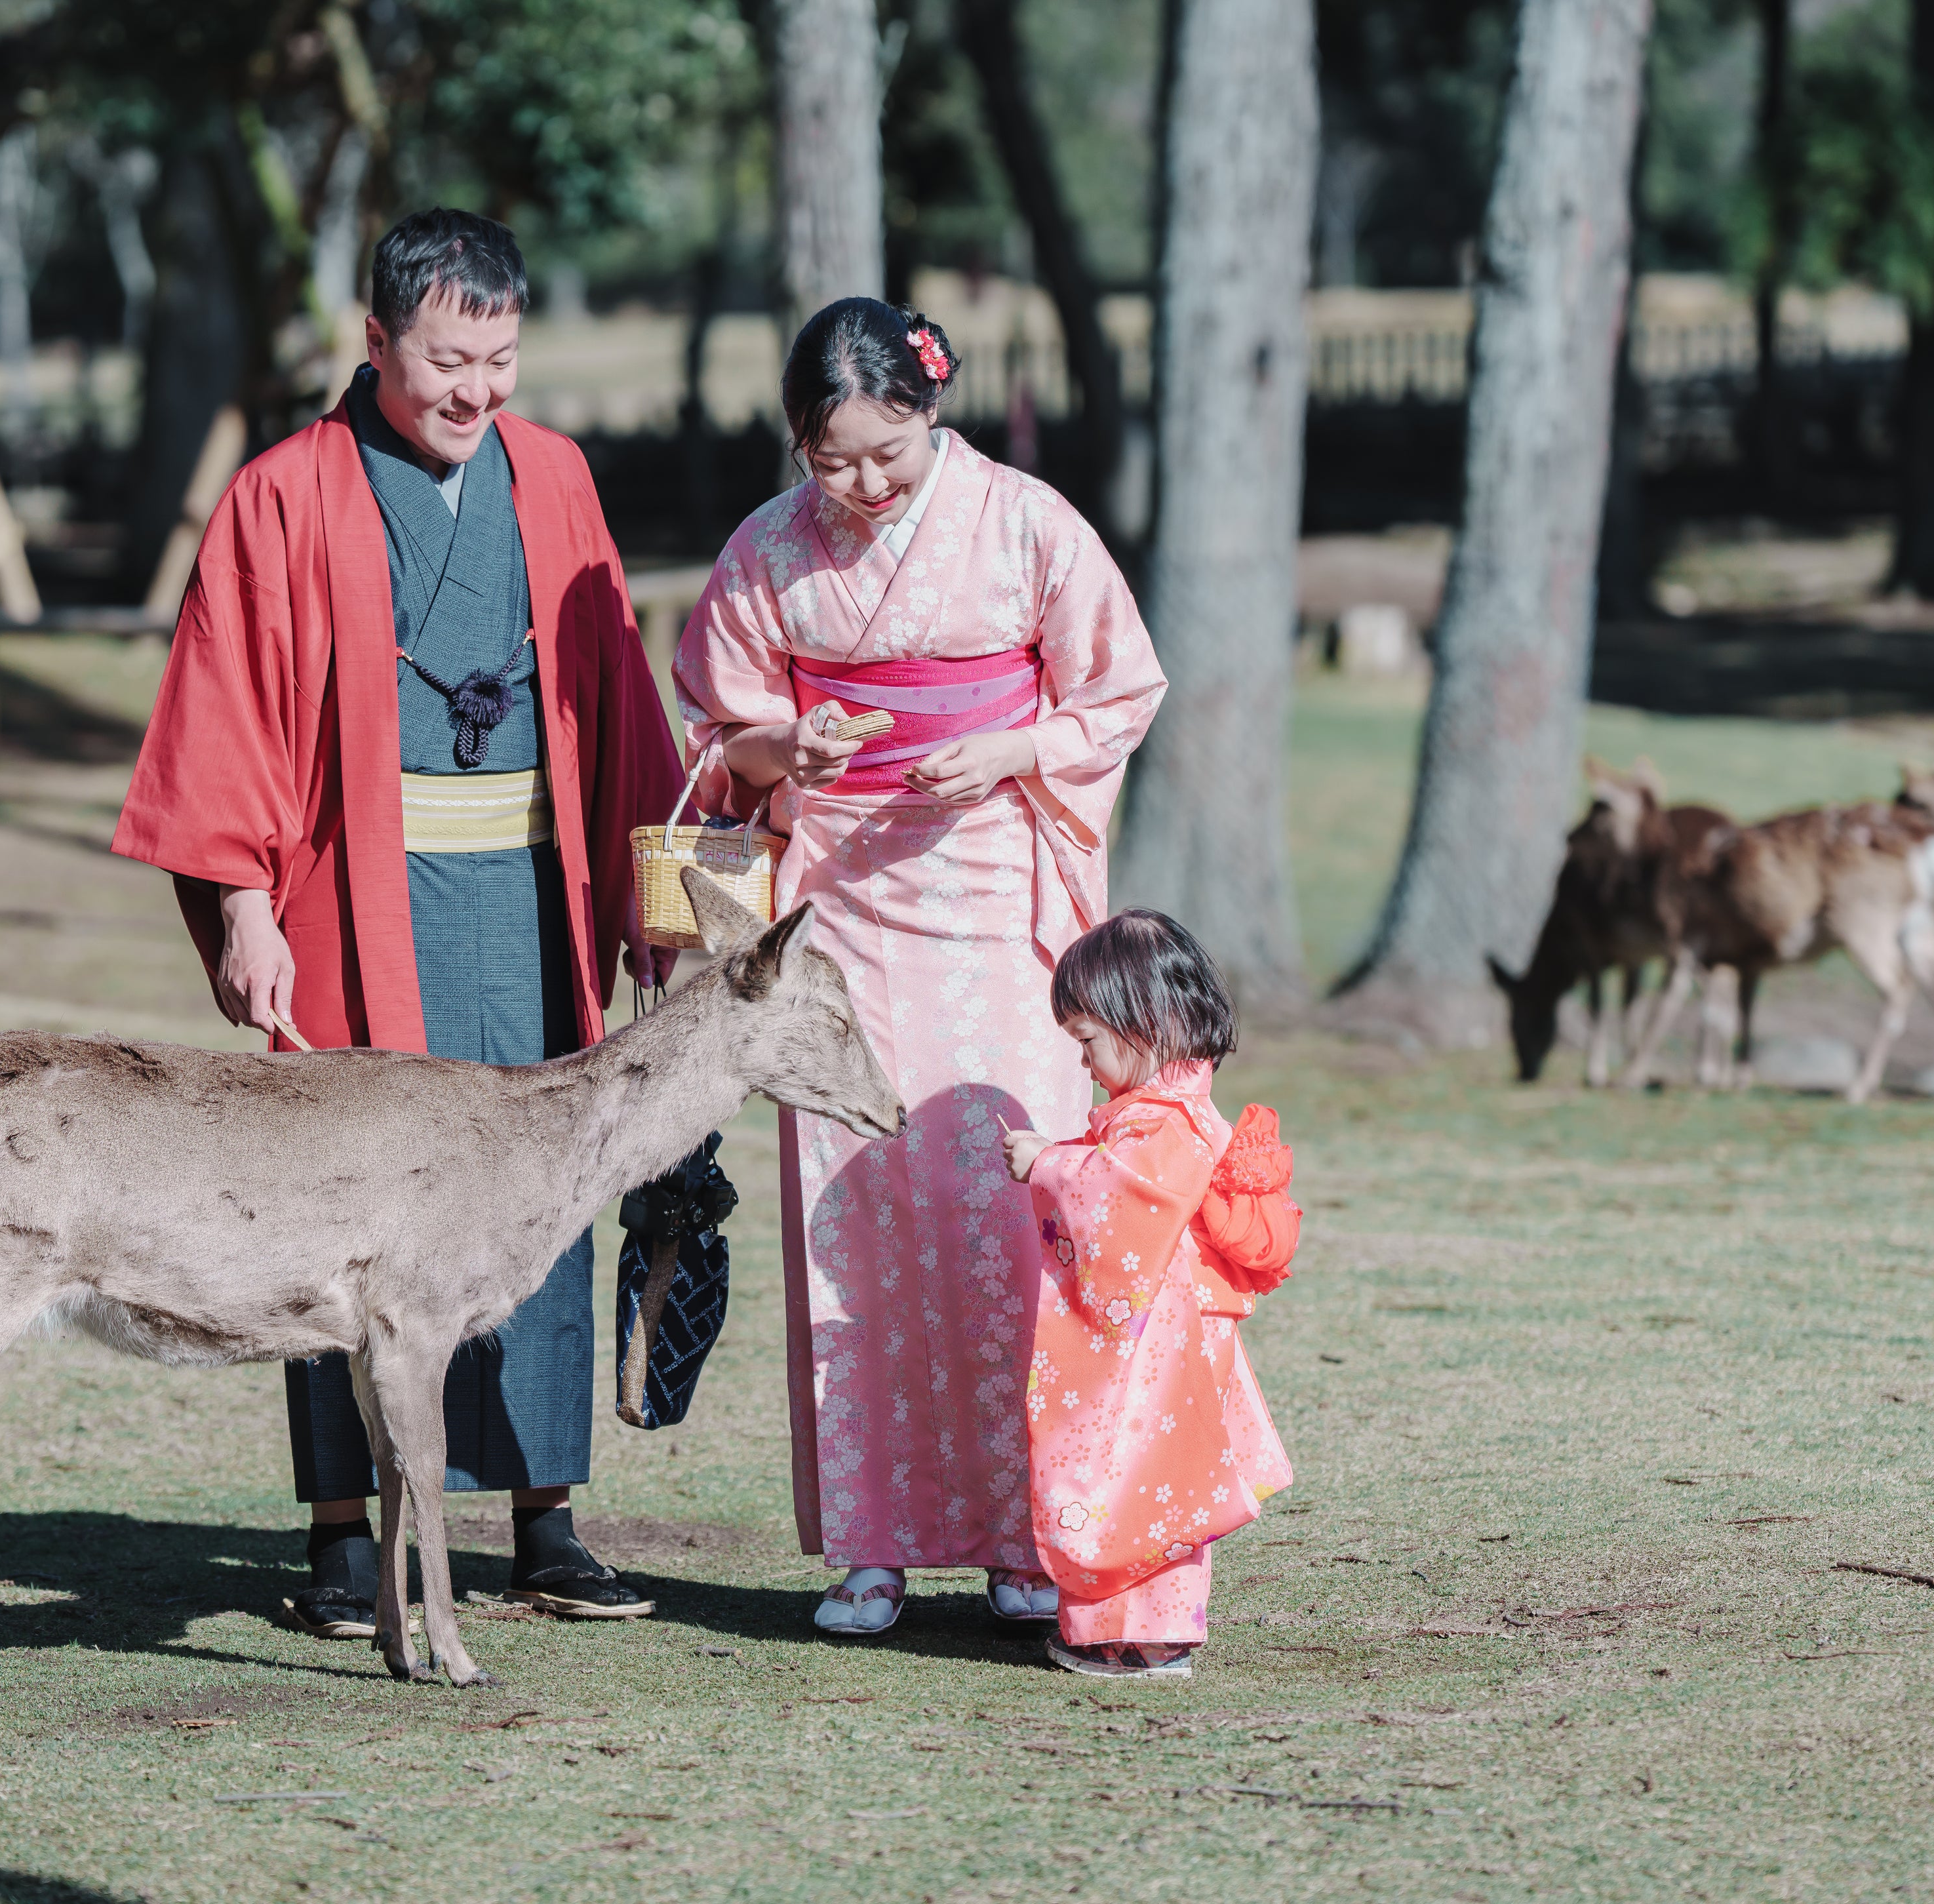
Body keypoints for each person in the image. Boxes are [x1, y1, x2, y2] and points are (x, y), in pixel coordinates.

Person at [112, 208, 684, 1636]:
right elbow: (226, 715)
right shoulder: (282, 497)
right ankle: (339, 1533)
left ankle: (545, 1519)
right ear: (373, 343)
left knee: (547, 1185)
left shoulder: (552, 482)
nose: (475, 392)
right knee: (343, 1209)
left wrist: (651, 903)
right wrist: (244, 909)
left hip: (530, 901)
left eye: (497, 360)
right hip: (356, 902)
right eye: (446, 360)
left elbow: (618, 699)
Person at [673, 298, 1168, 1636]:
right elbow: (721, 732)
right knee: (858, 1214)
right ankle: (869, 1541)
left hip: (990, 888)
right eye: (828, 460)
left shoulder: (1022, 520)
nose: (861, 485)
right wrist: (792, 749)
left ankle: (1026, 1532)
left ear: (928, 413)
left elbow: (1117, 689)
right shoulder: (768, 552)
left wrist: (1010, 751)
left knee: (1014, 1206)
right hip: (840, 897)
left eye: (885, 453)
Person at [999, 909, 1299, 1678]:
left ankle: (1127, 1637)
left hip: (1155, 1354)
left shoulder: (1161, 1122)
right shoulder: (1171, 1111)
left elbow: (1121, 1201)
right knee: (1156, 1479)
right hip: (1173, 1345)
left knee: (1128, 1476)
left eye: (1086, 1040)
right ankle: (1144, 1632)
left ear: (1146, 1020)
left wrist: (1045, 1166)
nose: (1083, 1064)